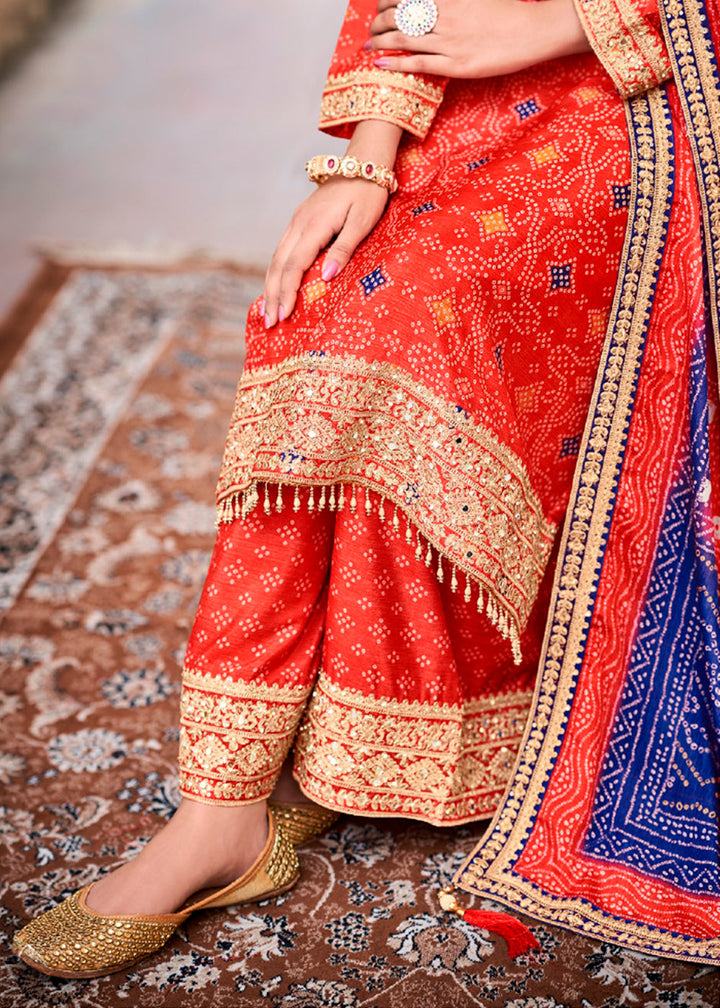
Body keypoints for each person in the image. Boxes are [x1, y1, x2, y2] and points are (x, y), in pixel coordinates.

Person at [14, 0, 718, 977]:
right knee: (326, 304)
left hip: (664, 99)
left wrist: (571, 23)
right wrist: (366, 155)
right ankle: (224, 802)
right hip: (468, 88)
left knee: (439, 315)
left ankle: (449, 711)